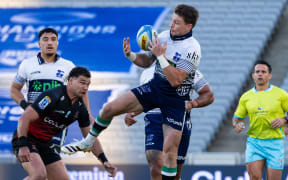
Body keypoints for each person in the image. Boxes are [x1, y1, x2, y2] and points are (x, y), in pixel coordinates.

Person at [62, 4, 200, 179]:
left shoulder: (192, 49)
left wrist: (160, 56)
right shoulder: (164, 36)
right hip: (155, 87)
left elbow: (176, 80)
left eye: (177, 23)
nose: (171, 25)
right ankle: (87, 142)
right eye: (172, 21)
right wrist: (131, 56)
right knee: (109, 109)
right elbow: (147, 61)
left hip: (175, 98)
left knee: (170, 151)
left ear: (189, 27)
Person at [12, 66, 117, 180]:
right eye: (82, 83)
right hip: (26, 139)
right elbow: (24, 118)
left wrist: (104, 160)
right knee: (39, 175)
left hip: (45, 144)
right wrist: (22, 145)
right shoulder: (54, 95)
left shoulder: (81, 109)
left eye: (88, 84)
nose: (85, 87)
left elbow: (90, 138)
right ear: (71, 80)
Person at [10, 27, 92, 153]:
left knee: (51, 158)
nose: (50, 43)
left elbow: (82, 92)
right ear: (39, 43)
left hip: (56, 122)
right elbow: (14, 90)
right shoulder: (27, 64)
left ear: (57, 43)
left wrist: (87, 114)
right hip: (35, 120)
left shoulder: (68, 66)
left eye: (53, 39)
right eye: (45, 39)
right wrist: (25, 105)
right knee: (34, 162)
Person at [124, 66, 214, 180]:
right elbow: (145, 100)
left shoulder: (189, 72)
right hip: (154, 120)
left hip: (179, 121)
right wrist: (131, 112)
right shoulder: (147, 73)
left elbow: (208, 95)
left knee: (174, 174)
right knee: (156, 167)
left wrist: (192, 104)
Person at [233, 60, 288, 180]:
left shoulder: (281, 94)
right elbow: (236, 118)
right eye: (257, 72)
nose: (260, 74)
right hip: (254, 142)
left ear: (269, 75)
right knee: (254, 177)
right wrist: (237, 124)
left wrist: (284, 120)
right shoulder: (246, 97)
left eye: (263, 72)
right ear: (253, 75)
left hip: (275, 143)